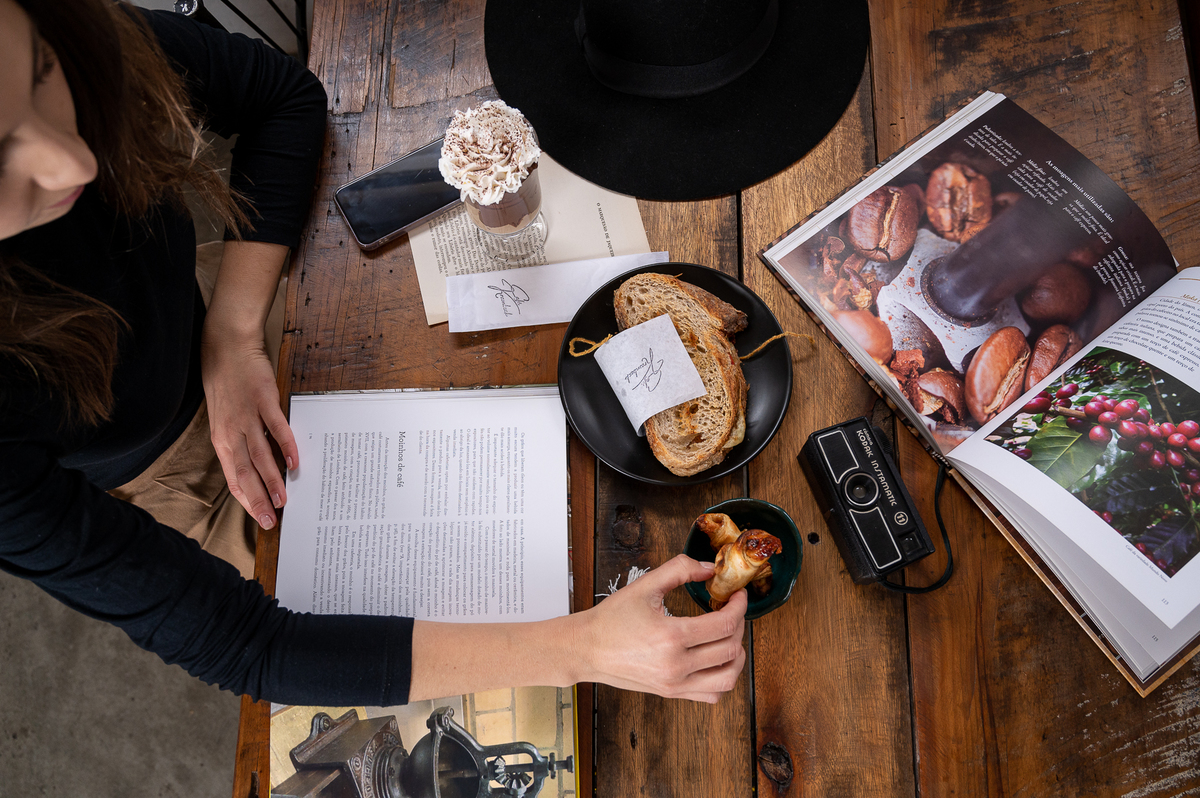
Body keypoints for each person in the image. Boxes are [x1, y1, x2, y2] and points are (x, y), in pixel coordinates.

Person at [0, 0, 748, 708]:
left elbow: (281, 95)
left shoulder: (68, 34)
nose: (75, 163)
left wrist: (229, 334)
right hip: (173, 472)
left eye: (40, 70)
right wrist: (581, 650)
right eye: (0, 156)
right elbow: (247, 644)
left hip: (228, 301)